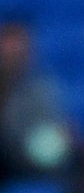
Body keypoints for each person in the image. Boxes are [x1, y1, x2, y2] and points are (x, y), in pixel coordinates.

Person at [0, 21, 71, 183]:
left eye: (18, 52)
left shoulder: (42, 90)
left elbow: (48, 146)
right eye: (7, 52)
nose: (12, 57)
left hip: (25, 166)